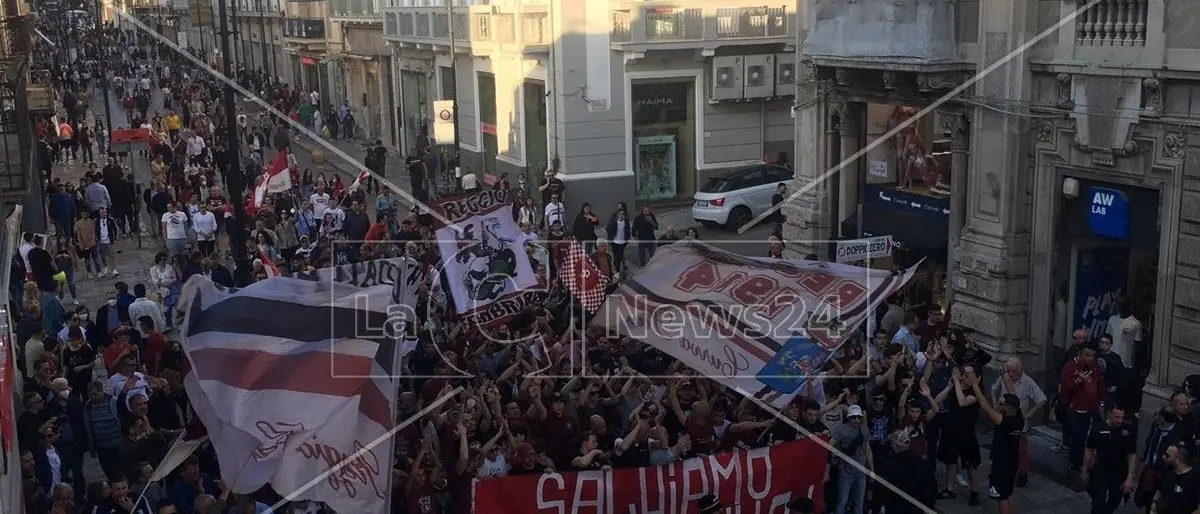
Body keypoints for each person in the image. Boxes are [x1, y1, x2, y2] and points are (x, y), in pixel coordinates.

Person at [962, 369, 1021, 514]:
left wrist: (975, 385)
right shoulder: (1019, 416)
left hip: (1002, 463)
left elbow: (986, 408)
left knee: (1000, 496)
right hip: (1012, 461)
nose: (998, 404)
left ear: (1008, 408)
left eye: (1001, 403)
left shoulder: (1005, 421)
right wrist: (1004, 377)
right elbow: (1014, 395)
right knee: (1008, 494)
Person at [989, 357, 1047, 486]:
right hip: (1003, 421)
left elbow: (1041, 399)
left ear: (1020, 370)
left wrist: (1029, 414)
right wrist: (994, 402)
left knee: (1021, 450)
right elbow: (993, 388)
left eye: (1013, 371)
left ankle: (1023, 472)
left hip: (1018, 424)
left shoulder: (1028, 382)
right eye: (1008, 371)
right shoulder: (1003, 378)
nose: (1010, 374)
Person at [1082, 405, 1137, 514]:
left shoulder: (1127, 429)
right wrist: (1085, 470)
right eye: (1116, 417)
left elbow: (1132, 455)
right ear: (1109, 415)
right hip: (1101, 468)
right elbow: (1089, 450)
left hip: (1119, 470)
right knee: (1098, 500)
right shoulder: (1098, 428)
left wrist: (1130, 477)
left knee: (1116, 498)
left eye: (1122, 417)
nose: (1119, 420)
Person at [831, 404, 872, 514]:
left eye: (859, 417)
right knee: (842, 502)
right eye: (854, 417)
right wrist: (838, 457)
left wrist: (871, 470)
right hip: (846, 471)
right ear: (849, 417)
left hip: (861, 471)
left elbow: (868, 450)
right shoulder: (841, 429)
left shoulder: (864, 430)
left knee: (859, 502)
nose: (857, 419)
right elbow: (830, 445)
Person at [1153, 442, 1200, 514]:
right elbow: (1159, 491)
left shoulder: (1195, 478)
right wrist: (1153, 505)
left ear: (1178, 460)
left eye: (1167, 455)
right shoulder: (1168, 472)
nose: (1163, 457)